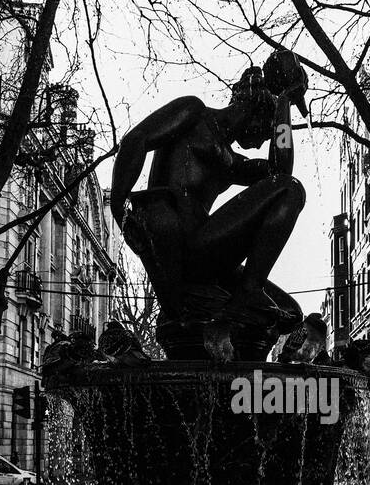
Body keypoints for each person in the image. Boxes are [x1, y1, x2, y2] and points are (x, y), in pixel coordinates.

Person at [109, 53, 310, 361]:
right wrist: (120, 206)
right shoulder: (194, 113)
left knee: (290, 312)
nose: (259, 143)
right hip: (180, 245)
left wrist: (283, 102)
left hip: (208, 253)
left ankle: (241, 302)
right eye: (267, 129)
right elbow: (135, 139)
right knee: (290, 189)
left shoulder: (232, 163)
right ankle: (245, 296)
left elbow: (281, 168)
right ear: (258, 111)